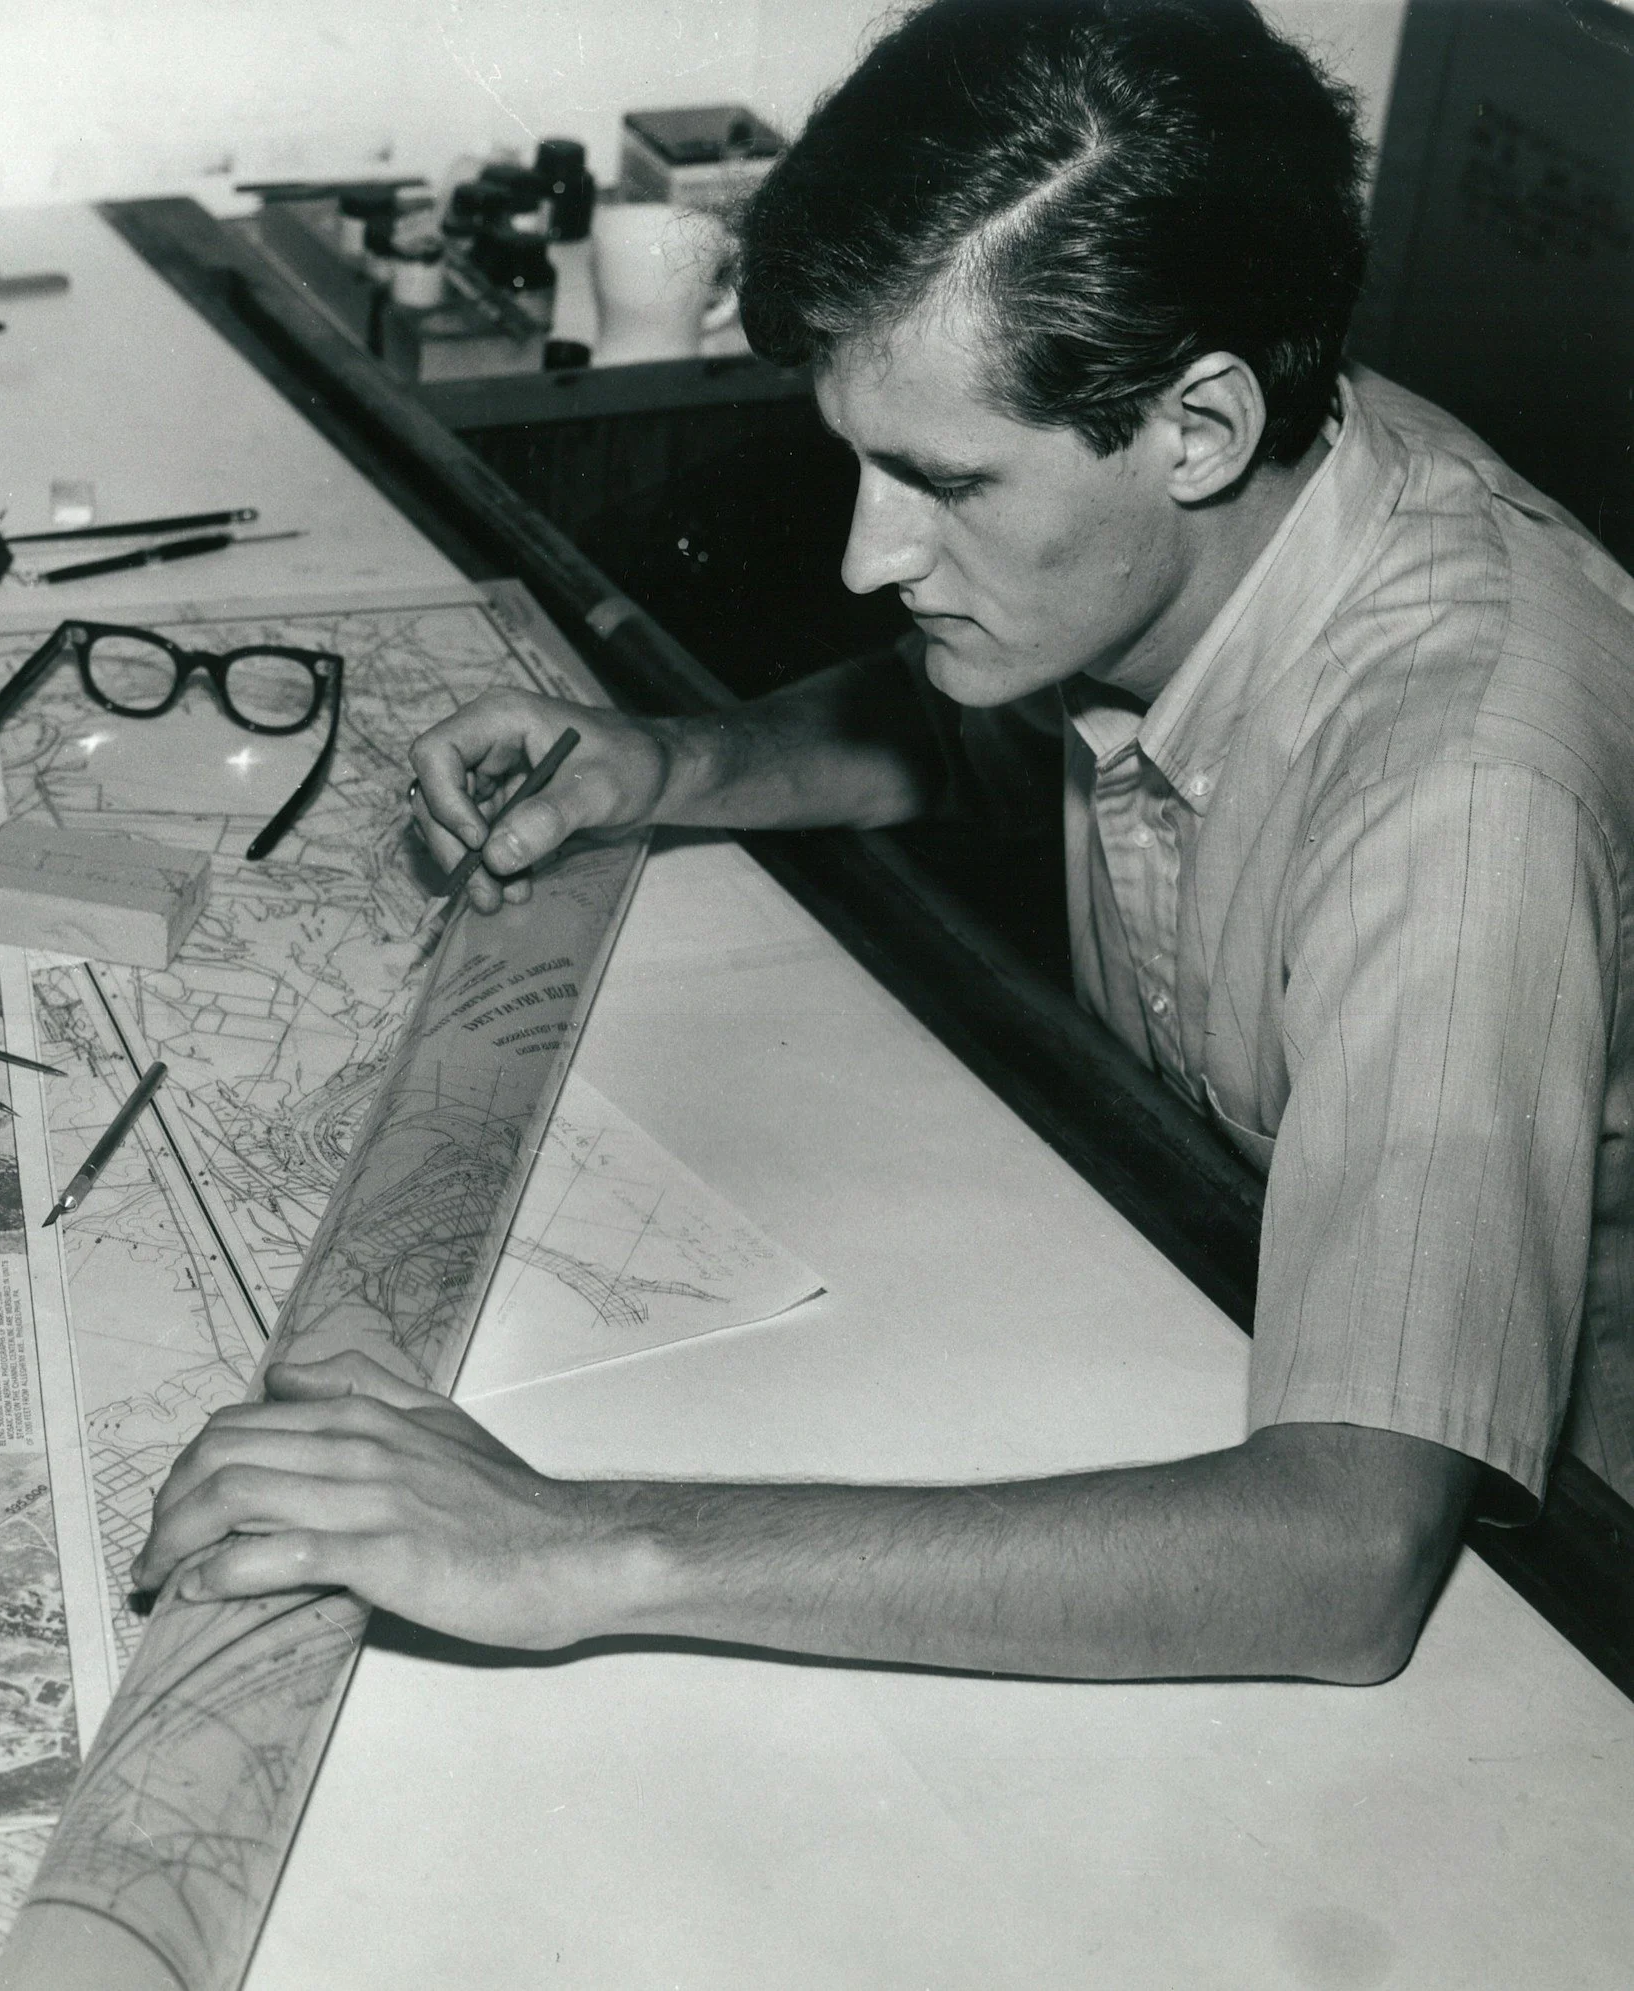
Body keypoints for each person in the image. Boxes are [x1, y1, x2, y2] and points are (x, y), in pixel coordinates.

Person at [134, 0, 1634, 1683]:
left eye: (944, 481)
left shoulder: (1461, 784)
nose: (866, 556)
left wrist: (577, 1544)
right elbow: (971, 721)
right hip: (1217, 1262)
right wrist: (669, 762)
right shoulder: (1178, 519)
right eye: (858, 460)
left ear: (1199, 429)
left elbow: (1348, 1559)